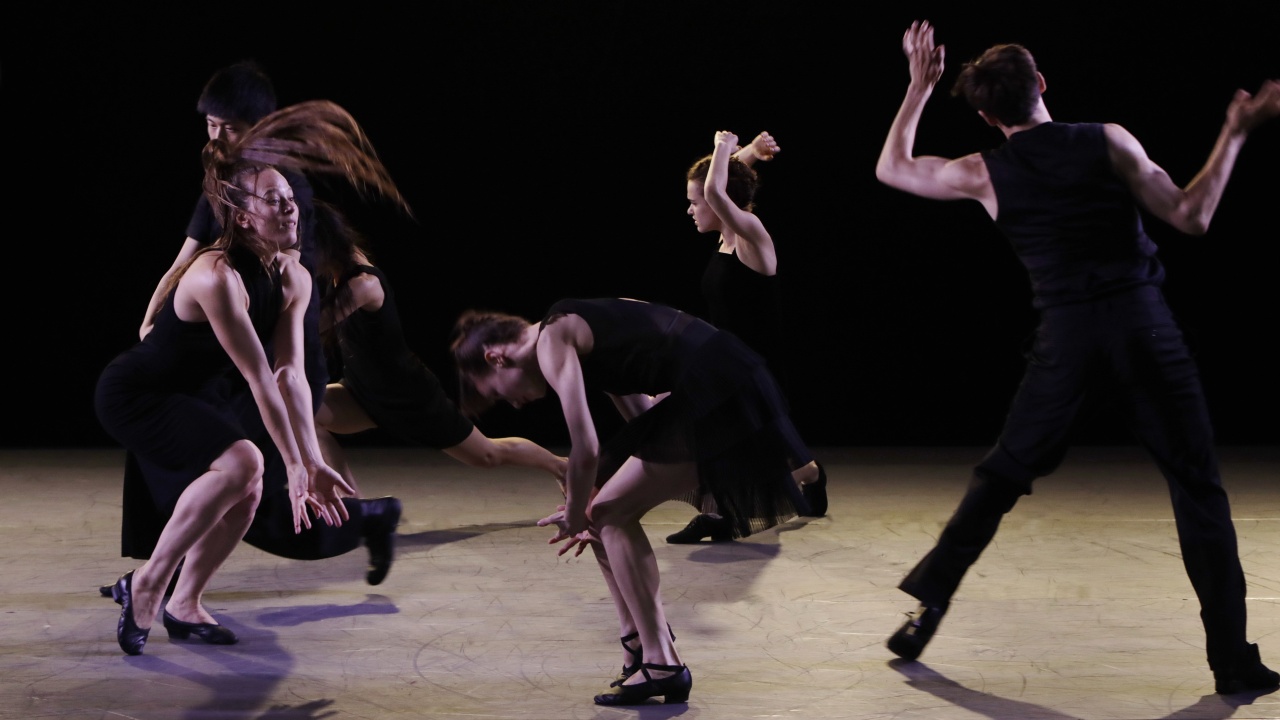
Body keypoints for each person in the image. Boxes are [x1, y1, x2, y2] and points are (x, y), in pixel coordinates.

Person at [874, 20, 1280, 694]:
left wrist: (917, 89)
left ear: (985, 114)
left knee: (1001, 476)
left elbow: (892, 168)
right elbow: (1190, 215)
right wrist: (1234, 132)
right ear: (1041, 85)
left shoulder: (982, 171)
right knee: (1197, 490)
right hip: (1144, 331)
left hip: (1067, 341)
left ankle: (929, 604)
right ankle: (1232, 659)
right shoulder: (1108, 138)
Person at [94, 98, 408, 655]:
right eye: (274, 202)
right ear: (242, 217)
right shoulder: (217, 277)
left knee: (248, 485)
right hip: (138, 395)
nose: (291, 210)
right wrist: (296, 464)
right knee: (247, 461)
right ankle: (146, 584)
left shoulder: (292, 273)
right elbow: (261, 378)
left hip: (195, 394)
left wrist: (311, 459)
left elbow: (291, 374)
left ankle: (184, 601)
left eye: (291, 199)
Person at [450, 297, 815, 705]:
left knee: (606, 510)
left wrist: (575, 516)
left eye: (499, 396)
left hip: (721, 388)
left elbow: (585, 447)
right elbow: (642, 423)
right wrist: (586, 499)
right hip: (723, 380)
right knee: (598, 500)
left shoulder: (553, 336)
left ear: (496, 358)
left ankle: (662, 662)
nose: (514, 404)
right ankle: (637, 640)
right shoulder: (578, 334)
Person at [309, 200, 568, 490]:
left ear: (324, 244)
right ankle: (347, 505)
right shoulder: (339, 271)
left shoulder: (363, 284)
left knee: (488, 455)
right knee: (301, 409)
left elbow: (308, 325)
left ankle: (562, 466)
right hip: (362, 391)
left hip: (408, 396)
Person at [666, 130, 827, 544]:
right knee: (748, 443)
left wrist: (725, 148)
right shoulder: (725, 235)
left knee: (744, 444)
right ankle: (806, 476)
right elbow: (723, 187)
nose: (690, 209)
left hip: (756, 366)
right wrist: (749, 155)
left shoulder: (752, 234)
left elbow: (721, 193)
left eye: (694, 201)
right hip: (724, 363)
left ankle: (722, 513)